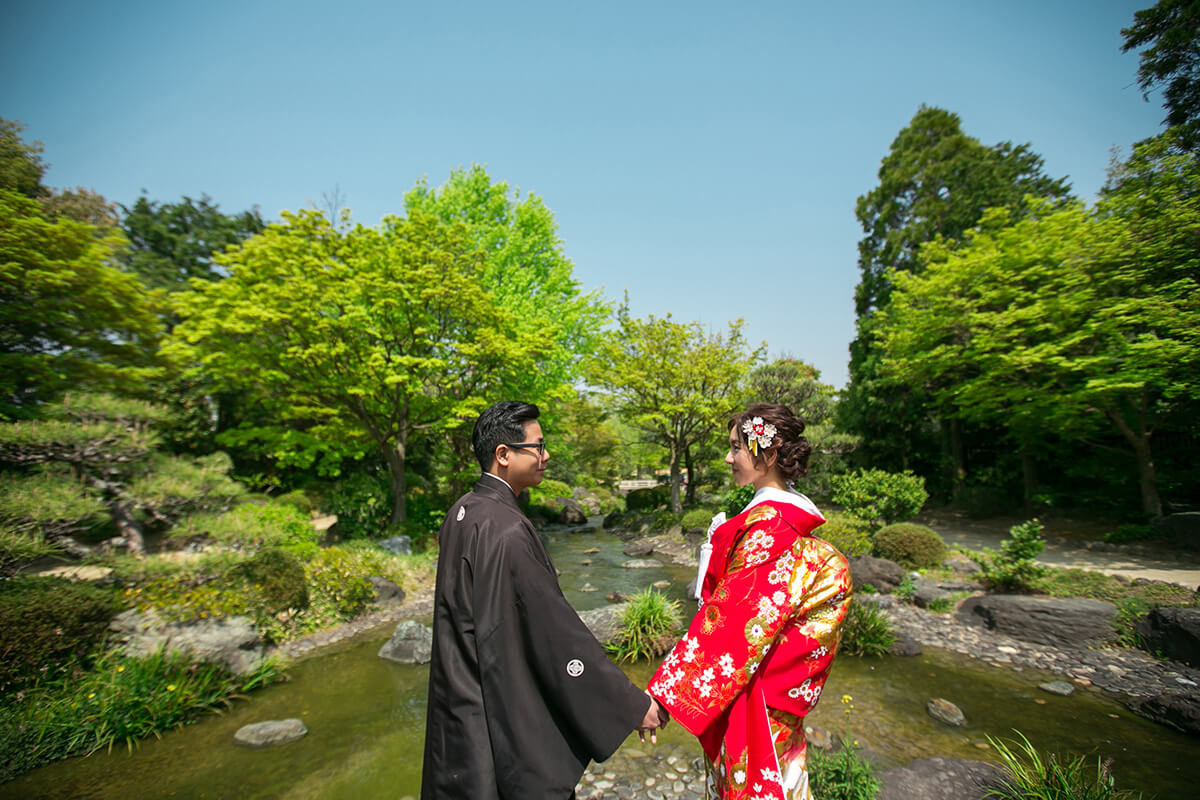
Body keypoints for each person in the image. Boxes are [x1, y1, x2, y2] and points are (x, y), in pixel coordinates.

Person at [421, 400, 667, 800]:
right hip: (500, 719)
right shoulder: (507, 529)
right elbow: (554, 633)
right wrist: (629, 704)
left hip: (463, 705)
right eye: (537, 446)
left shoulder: (463, 512)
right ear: (503, 455)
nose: (546, 455)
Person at [647, 403, 852, 800]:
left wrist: (664, 697)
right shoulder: (783, 520)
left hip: (757, 705)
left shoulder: (771, 527)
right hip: (776, 703)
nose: (728, 458)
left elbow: (731, 624)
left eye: (736, 447)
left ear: (769, 455)